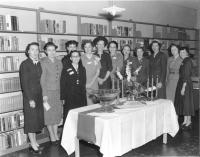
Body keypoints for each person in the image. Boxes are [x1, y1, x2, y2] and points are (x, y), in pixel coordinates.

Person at [19, 42, 44, 154]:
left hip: (38, 96)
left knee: (35, 120)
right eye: (32, 49)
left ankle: (34, 142)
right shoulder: (25, 64)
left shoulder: (38, 63)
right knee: (31, 120)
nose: (35, 52)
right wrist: (30, 99)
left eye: (36, 50)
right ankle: (33, 144)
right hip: (30, 97)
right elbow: (24, 84)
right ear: (28, 51)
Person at [40, 42, 62, 143]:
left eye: (53, 50)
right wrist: (44, 94)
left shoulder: (59, 62)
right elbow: (42, 80)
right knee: (49, 114)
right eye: (49, 50)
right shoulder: (43, 62)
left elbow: (61, 78)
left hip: (57, 91)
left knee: (56, 113)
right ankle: (52, 135)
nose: (52, 52)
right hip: (48, 92)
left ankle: (56, 134)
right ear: (45, 51)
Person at [60, 50, 87, 122]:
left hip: (81, 95)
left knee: (81, 114)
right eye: (73, 56)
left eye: (77, 56)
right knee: (70, 115)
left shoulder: (82, 69)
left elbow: (84, 82)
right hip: (70, 95)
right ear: (71, 58)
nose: (75, 58)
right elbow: (62, 83)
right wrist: (63, 97)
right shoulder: (66, 68)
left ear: (79, 57)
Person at [174, 47, 194, 129]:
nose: (182, 53)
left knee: (187, 102)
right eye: (181, 52)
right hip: (182, 82)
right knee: (184, 103)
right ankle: (185, 120)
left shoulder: (188, 61)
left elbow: (186, 75)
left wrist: (183, 87)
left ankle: (189, 121)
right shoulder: (184, 60)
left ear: (187, 53)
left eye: (183, 52)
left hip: (185, 84)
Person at [81, 40, 101, 105]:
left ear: (92, 47)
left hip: (94, 84)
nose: (87, 49)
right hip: (83, 84)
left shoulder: (96, 58)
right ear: (83, 48)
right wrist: (85, 84)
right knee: (85, 103)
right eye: (85, 47)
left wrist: (91, 83)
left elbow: (98, 72)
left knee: (94, 103)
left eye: (89, 47)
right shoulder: (81, 58)